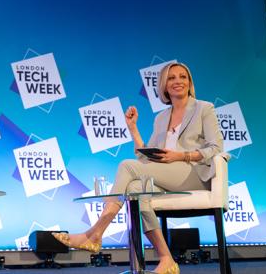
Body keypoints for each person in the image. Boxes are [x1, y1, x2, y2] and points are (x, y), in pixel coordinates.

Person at [53, 62, 223, 274]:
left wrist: (181, 155)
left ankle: (96, 232)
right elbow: (145, 156)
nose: (178, 81)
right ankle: (166, 259)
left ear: (189, 82)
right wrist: (133, 129)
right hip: (166, 173)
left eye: (183, 77)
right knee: (135, 191)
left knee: (126, 166)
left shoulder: (204, 109)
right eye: (171, 78)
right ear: (164, 86)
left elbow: (216, 147)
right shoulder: (162, 117)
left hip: (193, 174)